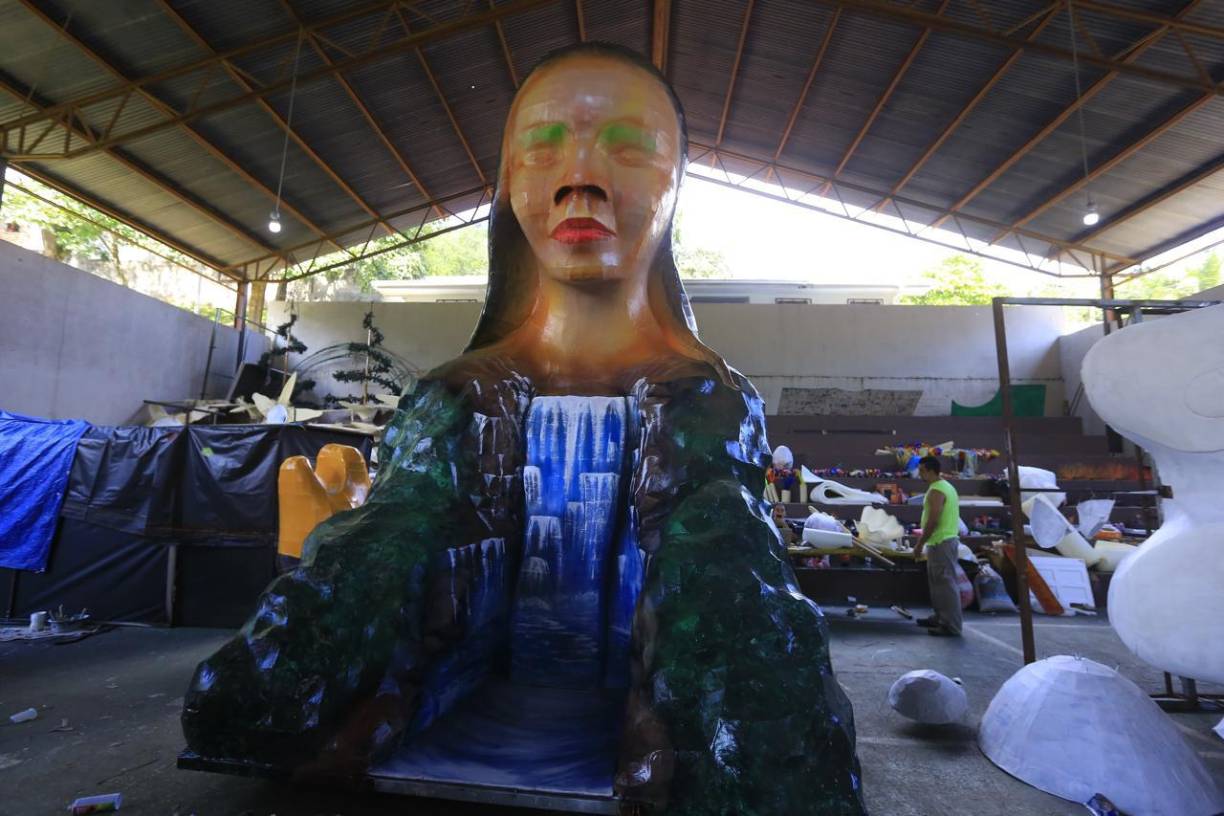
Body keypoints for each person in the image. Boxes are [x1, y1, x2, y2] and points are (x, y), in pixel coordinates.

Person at [181, 42, 865, 816]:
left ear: (678, 189)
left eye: (630, 150)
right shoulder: (453, 395)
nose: (580, 179)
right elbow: (399, 536)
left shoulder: (710, 399)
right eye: (543, 149)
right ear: (508, 186)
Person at [916, 454, 963, 637]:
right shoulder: (945, 487)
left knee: (945, 585)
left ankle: (951, 625)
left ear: (930, 471)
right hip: (939, 541)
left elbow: (933, 520)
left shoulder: (937, 490)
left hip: (942, 541)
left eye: (922, 471)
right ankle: (940, 617)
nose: (920, 475)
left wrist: (919, 544)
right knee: (938, 584)